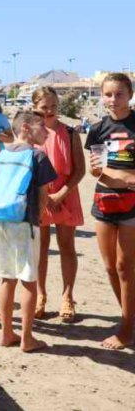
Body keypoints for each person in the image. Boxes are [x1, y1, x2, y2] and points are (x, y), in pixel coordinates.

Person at [0, 110, 56, 353]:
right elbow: (42, 195)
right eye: (42, 127)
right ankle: (27, 338)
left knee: (7, 278)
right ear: (26, 127)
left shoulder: (3, 154)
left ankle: (7, 332)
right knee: (28, 280)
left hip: (0, 220)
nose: (47, 131)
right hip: (25, 223)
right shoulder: (37, 156)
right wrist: (40, 213)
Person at [85, 72, 135, 349]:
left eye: (119, 94)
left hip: (132, 202)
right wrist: (100, 172)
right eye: (108, 94)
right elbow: (98, 170)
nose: (113, 99)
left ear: (129, 95)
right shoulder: (97, 128)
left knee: (125, 267)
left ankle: (126, 329)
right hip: (104, 200)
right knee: (109, 267)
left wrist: (126, 179)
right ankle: (129, 318)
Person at [31, 87, 85, 322]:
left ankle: (67, 296)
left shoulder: (70, 133)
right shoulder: (31, 133)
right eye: (44, 107)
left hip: (66, 193)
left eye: (53, 106)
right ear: (35, 107)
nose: (49, 111)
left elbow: (80, 170)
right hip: (39, 196)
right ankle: (40, 296)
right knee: (40, 248)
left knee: (66, 246)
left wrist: (61, 194)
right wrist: (44, 197)